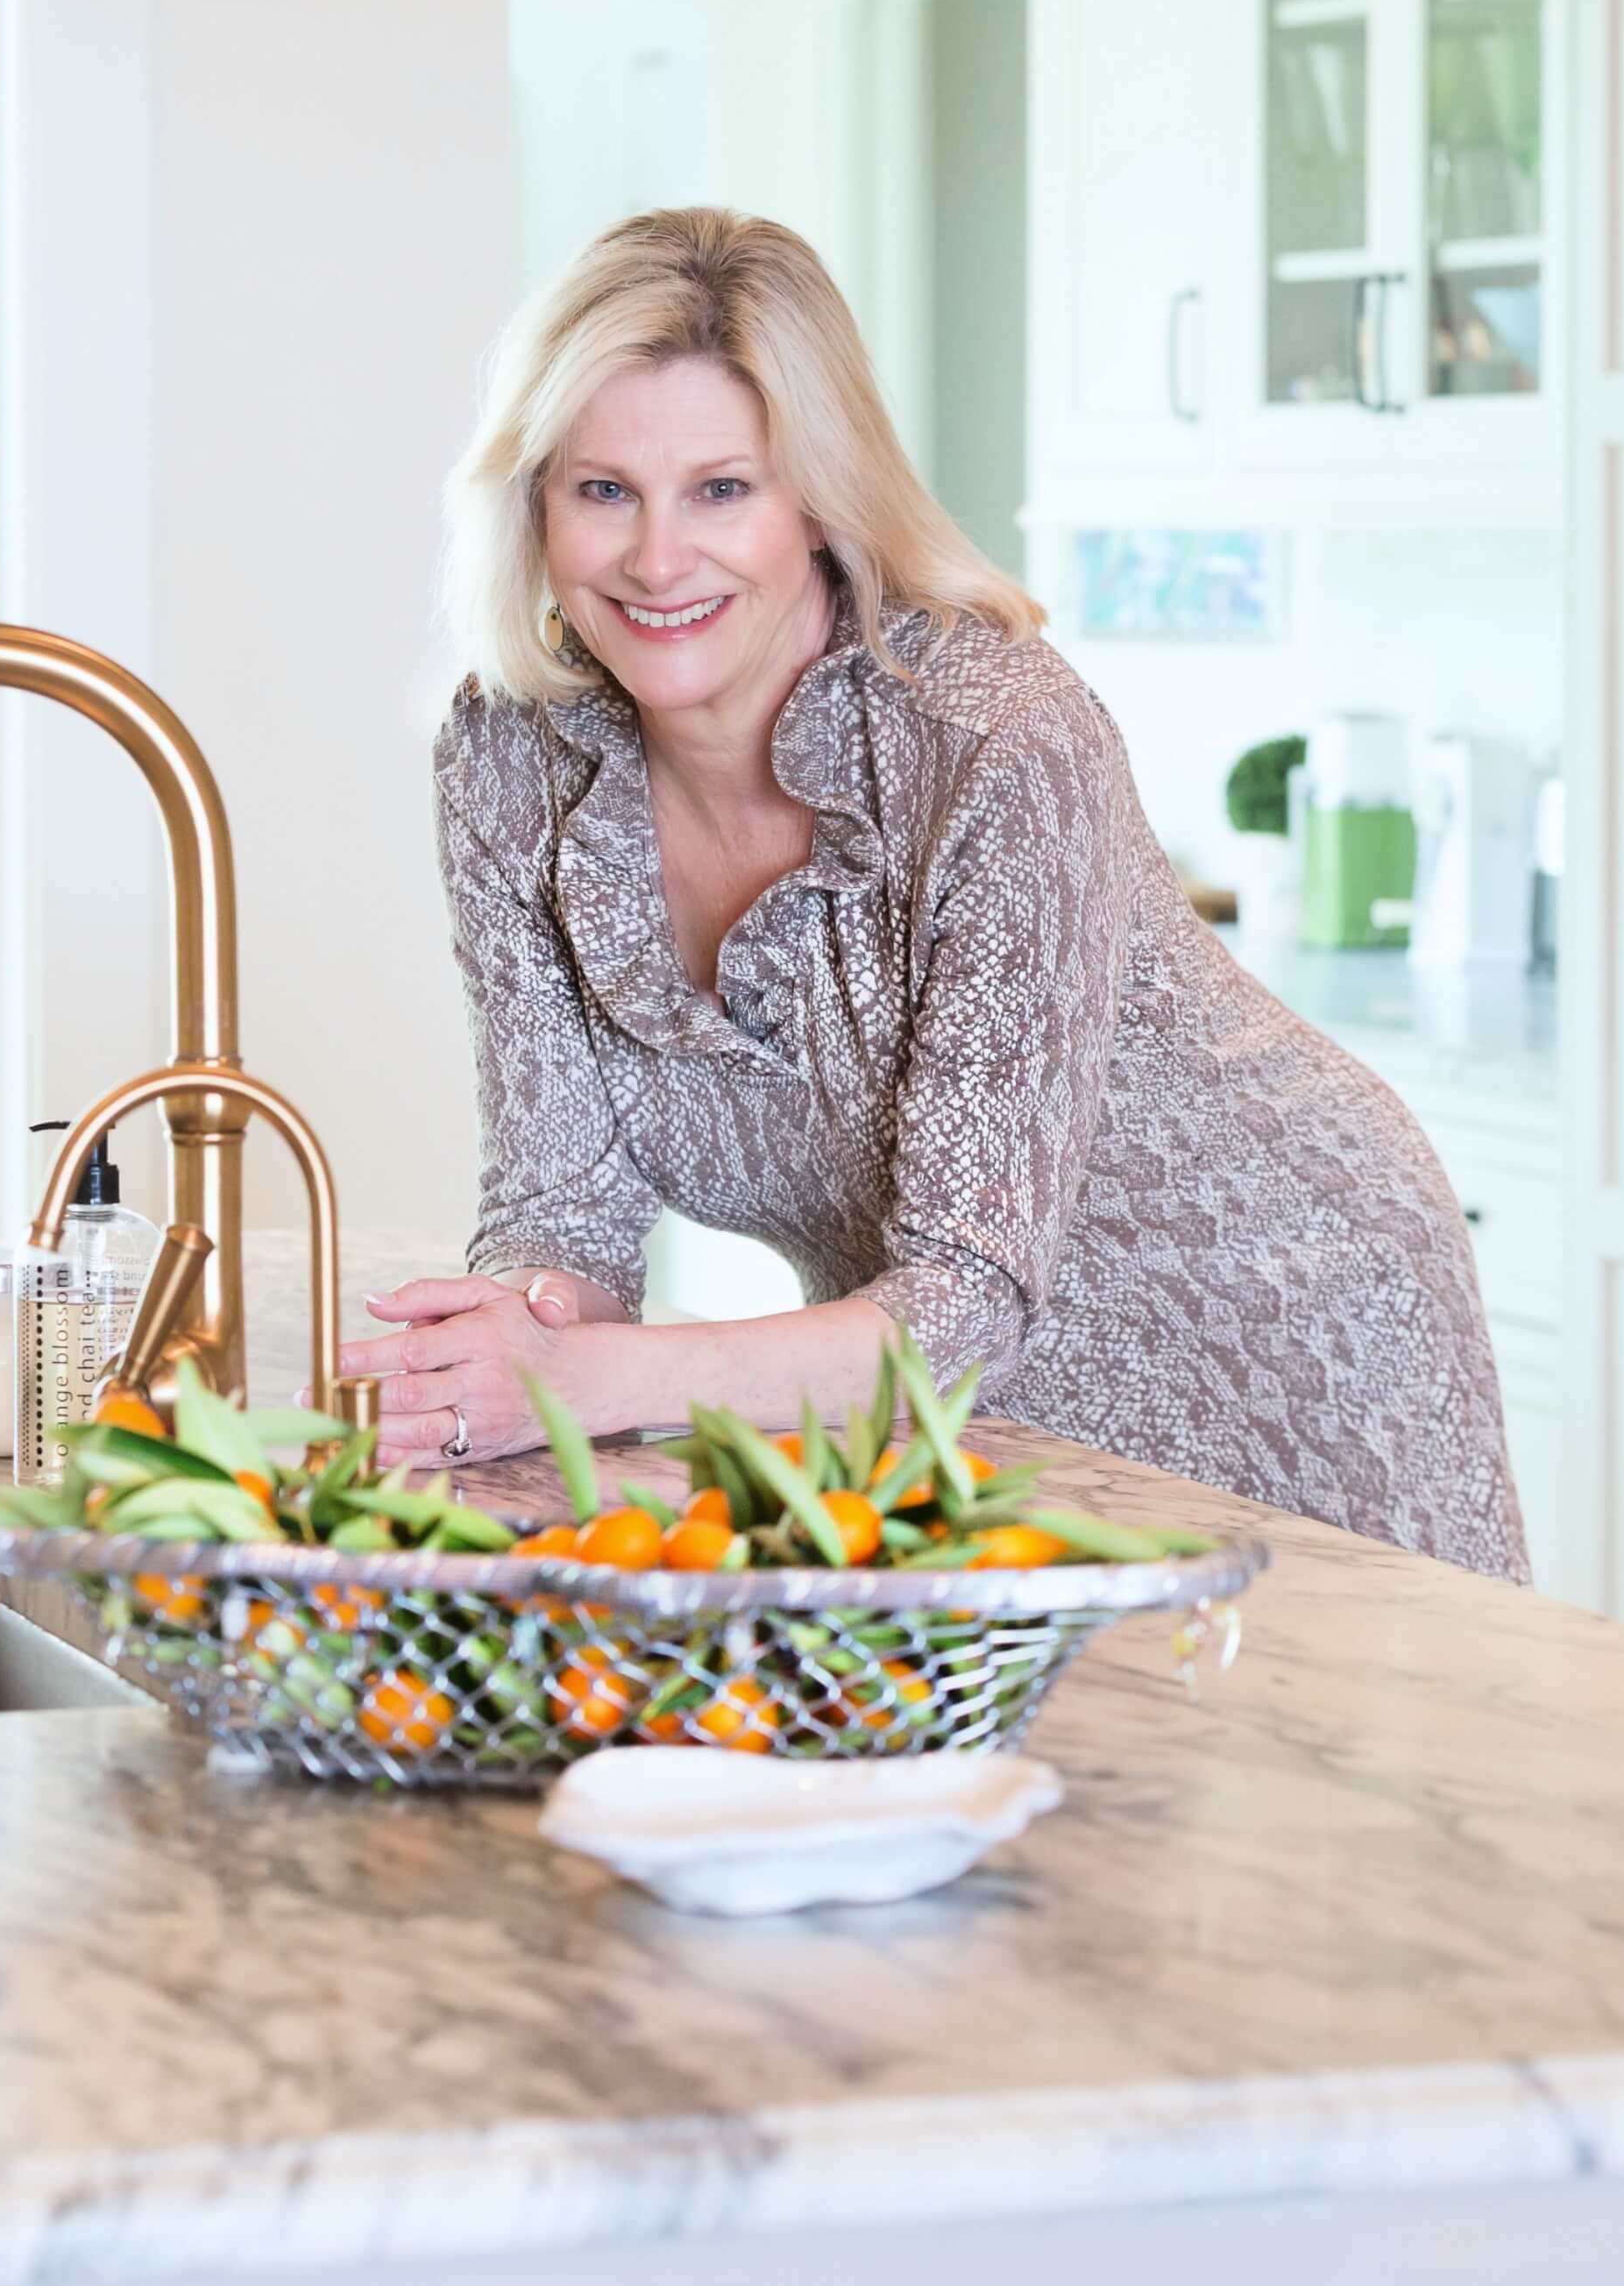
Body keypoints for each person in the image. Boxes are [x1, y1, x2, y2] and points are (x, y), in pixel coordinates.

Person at [337, 208, 1527, 1581]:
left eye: (721, 489)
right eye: (603, 491)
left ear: (818, 502)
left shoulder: (996, 741)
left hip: (1290, 1307)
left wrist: (597, 1375)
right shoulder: (510, 755)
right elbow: (565, 1202)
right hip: (938, 1395)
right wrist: (505, 1346)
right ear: (534, 506)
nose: (658, 560)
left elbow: (961, 1303)